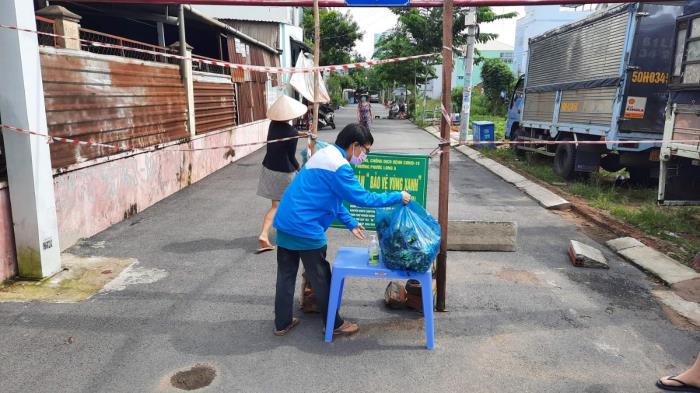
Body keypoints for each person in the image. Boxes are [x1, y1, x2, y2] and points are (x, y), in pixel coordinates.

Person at [271, 123, 411, 337]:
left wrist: (351, 222)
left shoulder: (325, 153)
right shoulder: (339, 166)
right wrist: (397, 196)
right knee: (321, 277)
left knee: (285, 275)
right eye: (365, 150)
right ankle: (334, 324)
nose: (365, 155)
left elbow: (330, 198)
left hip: (287, 220)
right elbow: (364, 198)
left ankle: (282, 323)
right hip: (305, 226)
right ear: (354, 145)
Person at [255, 95, 307, 254]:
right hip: (284, 172)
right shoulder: (291, 132)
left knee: (276, 204)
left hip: (269, 168)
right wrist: (299, 168)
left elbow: (284, 135)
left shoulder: (273, 125)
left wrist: (300, 134)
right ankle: (271, 233)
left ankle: (269, 233)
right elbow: (291, 156)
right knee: (290, 203)